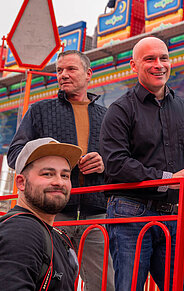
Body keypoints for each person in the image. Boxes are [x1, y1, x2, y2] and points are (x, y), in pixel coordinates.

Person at [100, 36, 184, 291]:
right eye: (149, 59)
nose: (158, 65)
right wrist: (168, 179)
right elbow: (115, 163)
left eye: (164, 58)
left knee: (182, 287)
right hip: (129, 213)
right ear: (133, 65)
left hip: (174, 213)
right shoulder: (119, 110)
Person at [8, 50, 114, 291]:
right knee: (48, 282)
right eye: (59, 70)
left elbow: (121, 161)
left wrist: (104, 164)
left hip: (96, 216)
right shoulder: (39, 111)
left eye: (71, 69)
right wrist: (48, 157)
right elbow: (14, 155)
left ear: (88, 74)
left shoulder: (108, 116)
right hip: (51, 213)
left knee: (105, 286)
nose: (63, 75)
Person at [0, 138, 81, 290]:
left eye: (65, 175)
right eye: (48, 174)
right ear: (21, 182)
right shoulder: (20, 232)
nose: (59, 182)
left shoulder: (50, 233)